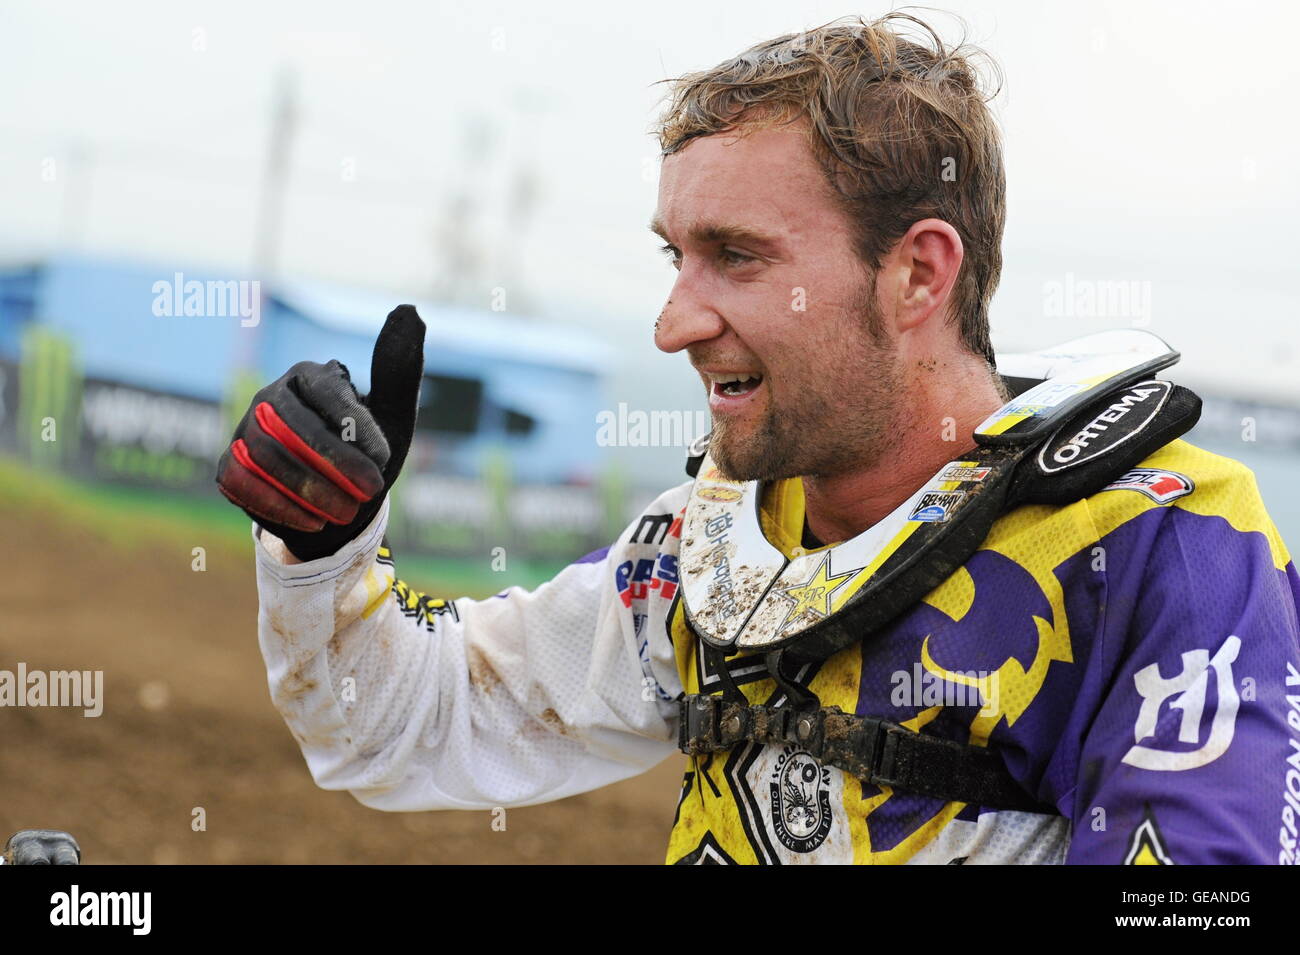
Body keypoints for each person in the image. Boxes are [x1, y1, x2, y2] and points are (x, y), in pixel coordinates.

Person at [217, 14, 1300, 864]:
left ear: (917, 273)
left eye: (735, 256)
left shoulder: (1160, 543)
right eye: (673, 256)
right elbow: (405, 722)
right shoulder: (717, 538)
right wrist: (326, 550)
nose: (673, 323)